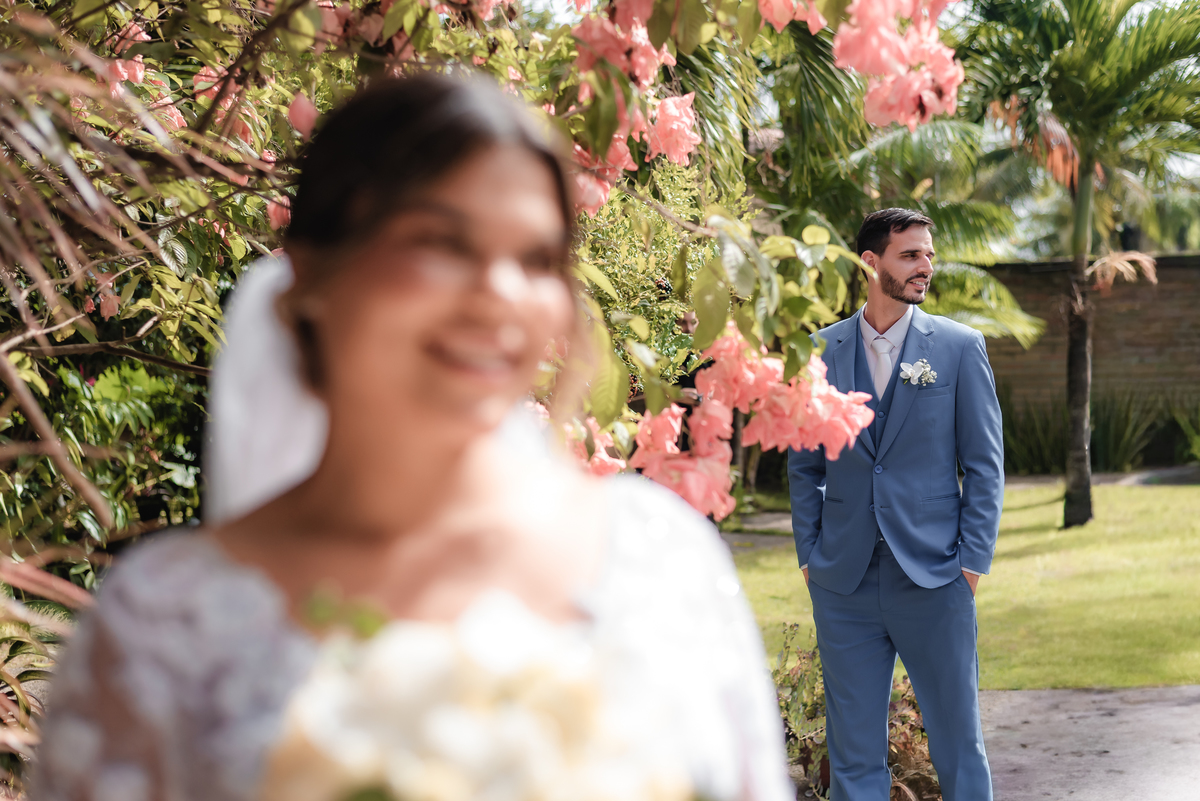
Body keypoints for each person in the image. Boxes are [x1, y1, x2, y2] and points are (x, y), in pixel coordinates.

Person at [32, 74, 792, 801]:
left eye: (535, 259)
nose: (499, 293)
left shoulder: (660, 559)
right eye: (441, 242)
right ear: (312, 276)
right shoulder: (163, 624)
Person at [787, 208, 1004, 801]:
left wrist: (971, 564)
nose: (925, 267)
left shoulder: (959, 349)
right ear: (870, 262)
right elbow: (804, 463)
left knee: (959, 744)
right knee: (853, 754)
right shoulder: (819, 351)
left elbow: (984, 466)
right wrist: (810, 554)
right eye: (910, 255)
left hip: (935, 577)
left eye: (929, 255)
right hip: (843, 582)